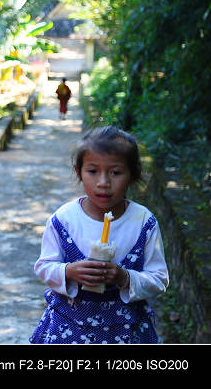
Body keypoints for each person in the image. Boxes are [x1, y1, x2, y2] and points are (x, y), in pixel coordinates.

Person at [30, 126, 168, 344]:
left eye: (115, 172)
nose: (103, 182)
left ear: (134, 175)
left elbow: (158, 279)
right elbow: (44, 267)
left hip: (125, 330)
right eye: (93, 171)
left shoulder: (143, 222)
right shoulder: (64, 219)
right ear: (79, 172)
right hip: (70, 327)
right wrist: (68, 271)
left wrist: (125, 278)